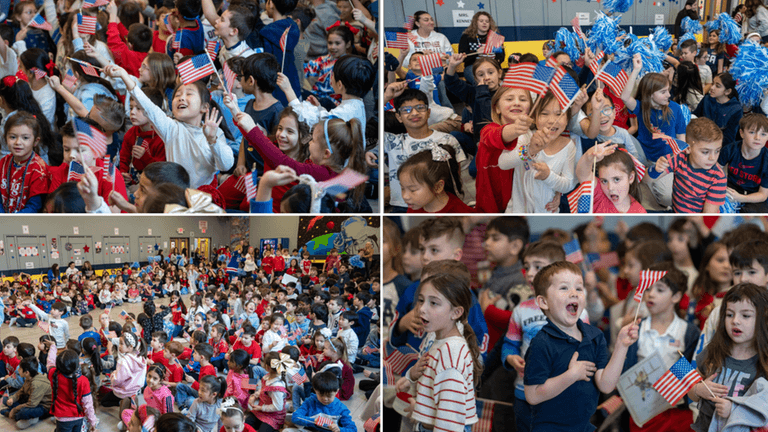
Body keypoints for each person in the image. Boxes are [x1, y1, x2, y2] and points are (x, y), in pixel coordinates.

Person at [523, 261, 639, 431]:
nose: (574, 293)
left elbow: (606, 385)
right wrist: (572, 375)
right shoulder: (542, 342)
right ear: (543, 302)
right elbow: (532, 395)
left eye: (579, 288)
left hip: (584, 426)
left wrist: (622, 345)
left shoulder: (595, 336)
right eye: (564, 288)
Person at [105, 64, 233, 189]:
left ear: (204, 107)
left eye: (189, 94)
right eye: (177, 95)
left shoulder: (215, 133)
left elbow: (225, 165)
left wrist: (212, 140)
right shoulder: (171, 128)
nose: (181, 98)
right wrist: (123, 75)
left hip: (203, 197)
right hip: (175, 194)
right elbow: (147, 106)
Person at [395, 272, 482, 430]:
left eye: (433, 303)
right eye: (421, 301)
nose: (421, 309)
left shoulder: (450, 356)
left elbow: (449, 423)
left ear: (456, 312)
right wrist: (412, 376)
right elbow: (432, 382)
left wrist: (421, 412)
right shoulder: (439, 340)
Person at [622, 263, 700, 431]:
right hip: (643, 411)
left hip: (676, 411)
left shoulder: (688, 331)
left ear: (676, 296)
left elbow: (693, 369)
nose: (651, 294)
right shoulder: (636, 329)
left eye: (660, 289)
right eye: (648, 289)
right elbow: (626, 369)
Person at [689, 284, 768, 431]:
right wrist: (699, 389)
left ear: (762, 319)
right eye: (730, 314)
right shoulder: (713, 351)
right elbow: (691, 392)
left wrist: (734, 410)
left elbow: (764, 409)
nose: (735, 321)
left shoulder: (764, 361)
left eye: (745, 315)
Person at [621, 54, 687, 207]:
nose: (669, 95)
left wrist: (677, 165)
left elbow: (681, 140)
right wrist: (636, 70)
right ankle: (646, 176)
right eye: (663, 92)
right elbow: (624, 97)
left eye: (668, 90)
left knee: (667, 199)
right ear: (650, 94)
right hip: (642, 155)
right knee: (619, 133)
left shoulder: (675, 108)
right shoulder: (642, 106)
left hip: (664, 160)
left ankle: (647, 178)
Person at [499, 91, 576, 213]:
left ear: (567, 119)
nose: (552, 120)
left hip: (547, 212)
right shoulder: (524, 137)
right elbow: (503, 163)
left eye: (559, 114)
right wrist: (530, 150)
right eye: (544, 113)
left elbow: (568, 184)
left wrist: (548, 176)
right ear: (534, 117)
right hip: (518, 211)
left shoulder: (569, 146)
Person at [650, 117, 726, 213]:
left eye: (717, 151)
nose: (713, 158)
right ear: (688, 148)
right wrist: (656, 169)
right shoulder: (679, 157)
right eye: (705, 152)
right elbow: (646, 180)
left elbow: (708, 216)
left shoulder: (718, 177)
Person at [476, 85, 532, 213]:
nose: (517, 103)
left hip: (518, 201)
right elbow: (497, 136)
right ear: (497, 108)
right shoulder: (487, 130)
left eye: (523, 100)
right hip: (492, 200)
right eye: (509, 99)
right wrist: (515, 129)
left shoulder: (531, 135)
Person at [397, 144, 471, 213]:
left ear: (438, 187)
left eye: (412, 190)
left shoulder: (461, 212)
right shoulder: (414, 206)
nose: (405, 196)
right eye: (402, 188)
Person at [575, 142, 647, 213]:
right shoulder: (599, 192)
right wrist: (588, 157)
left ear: (631, 177)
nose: (610, 187)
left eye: (616, 179)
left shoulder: (640, 212)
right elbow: (582, 174)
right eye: (604, 181)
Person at [717, 114, 768, 212]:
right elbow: (715, 171)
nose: (757, 138)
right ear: (742, 133)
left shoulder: (766, 160)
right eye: (752, 132)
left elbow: (763, 195)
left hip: (754, 195)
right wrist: (722, 188)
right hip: (731, 187)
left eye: (763, 134)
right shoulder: (730, 149)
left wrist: (740, 198)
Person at [0, 111, 48, 213]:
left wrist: (12, 222)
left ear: (35, 141)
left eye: (25, 138)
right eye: (13, 137)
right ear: (5, 138)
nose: (18, 142)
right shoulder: (3, 162)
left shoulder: (39, 170)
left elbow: (34, 206)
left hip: (26, 223)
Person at [290, 371, 356, 432]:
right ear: (315, 390)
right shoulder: (310, 401)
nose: (325, 399)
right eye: (321, 395)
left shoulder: (341, 409)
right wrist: (313, 421)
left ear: (336, 391)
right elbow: (295, 417)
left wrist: (340, 429)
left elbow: (353, 429)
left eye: (329, 396)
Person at [457, 12, 505, 86]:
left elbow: (501, 57)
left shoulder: (495, 37)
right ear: (476, 23)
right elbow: (463, 57)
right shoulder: (466, 37)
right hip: (473, 66)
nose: (484, 23)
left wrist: (492, 58)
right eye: (481, 21)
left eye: (487, 21)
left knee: (502, 84)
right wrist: (477, 52)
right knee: (481, 82)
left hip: (491, 65)